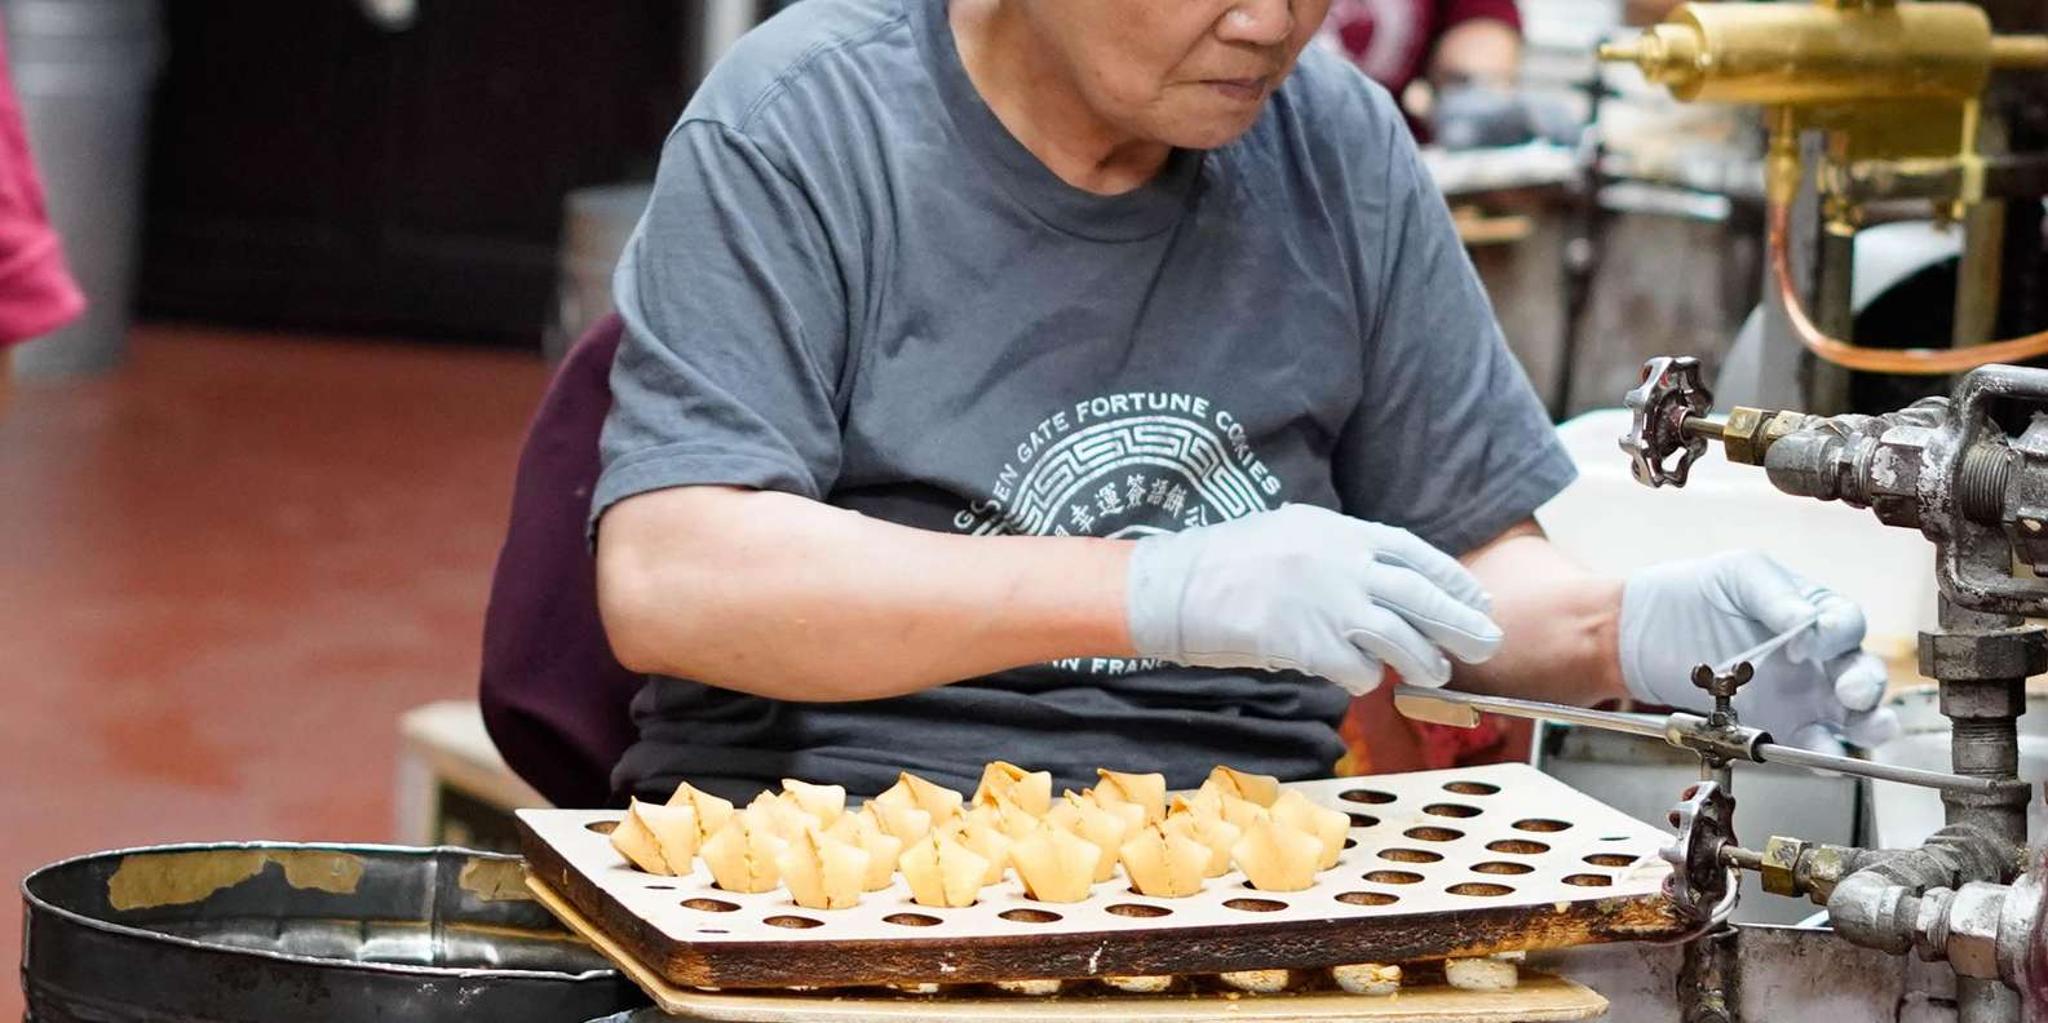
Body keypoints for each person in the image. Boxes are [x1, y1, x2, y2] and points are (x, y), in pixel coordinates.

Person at [590, 0, 1895, 805]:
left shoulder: (1336, 143)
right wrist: (1153, 590)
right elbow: (675, 576)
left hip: (1243, 877)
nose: (1271, 23)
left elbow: (1468, 571)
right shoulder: (807, 123)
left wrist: (1635, 637)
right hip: (846, 868)